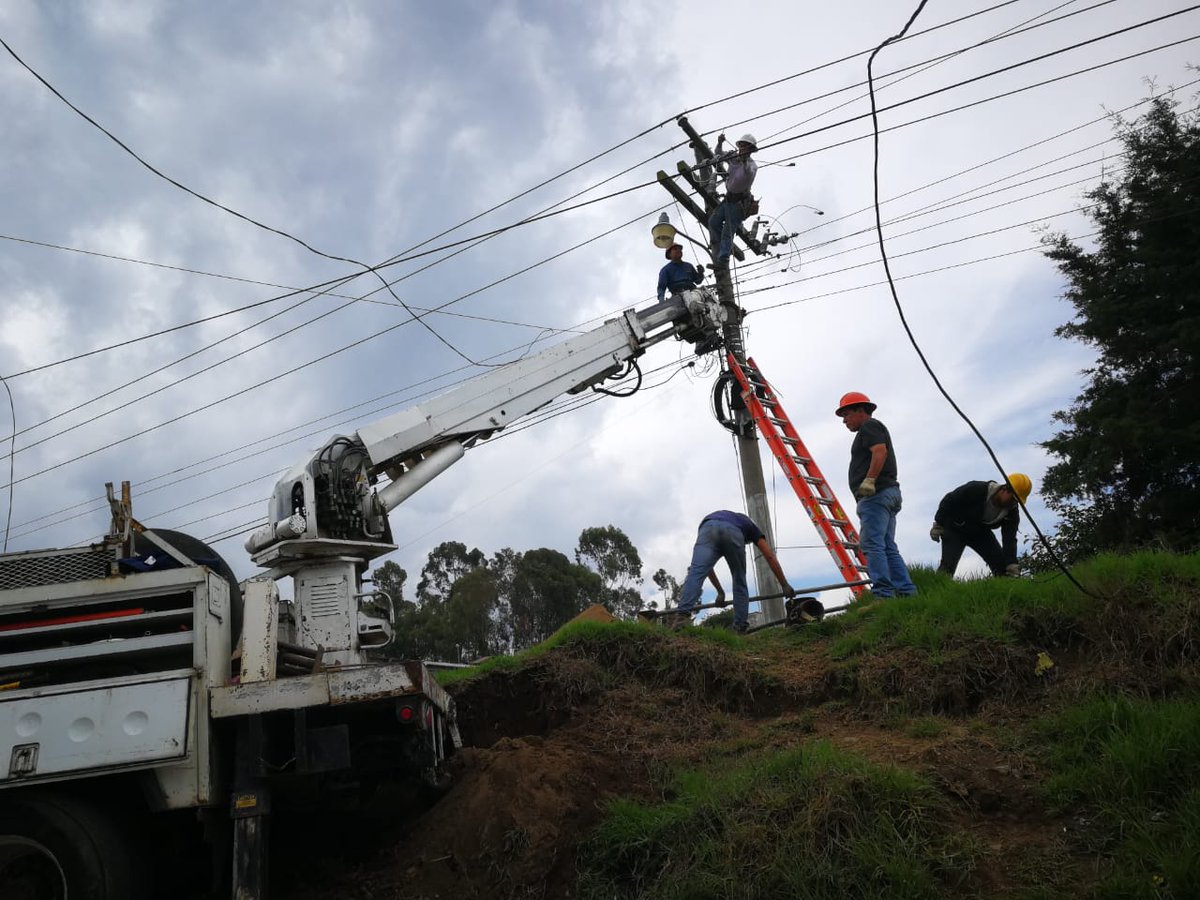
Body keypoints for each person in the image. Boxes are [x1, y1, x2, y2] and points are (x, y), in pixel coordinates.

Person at [835, 391, 917, 598]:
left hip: (876, 495)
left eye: (847, 414)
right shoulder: (871, 428)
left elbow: (880, 451)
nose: (844, 420)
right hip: (887, 494)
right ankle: (906, 592)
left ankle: (883, 595)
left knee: (873, 545)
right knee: (887, 546)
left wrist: (870, 479)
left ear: (861, 411)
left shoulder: (869, 427)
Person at [675, 510, 794, 633]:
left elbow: (707, 568)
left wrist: (720, 593)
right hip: (732, 531)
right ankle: (739, 627)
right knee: (739, 578)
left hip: (707, 527)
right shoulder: (750, 525)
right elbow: (769, 556)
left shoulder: (721, 517)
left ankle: (682, 618)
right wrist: (784, 584)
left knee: (696, 572)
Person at [930, 474, 1032, 577]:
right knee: (947, 569)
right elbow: (949, 500)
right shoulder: (976, 488)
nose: (1014, 503)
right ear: (1005, 489)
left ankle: (1006, 589)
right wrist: (938, 524)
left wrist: (1011, 564)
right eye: (1013, 499)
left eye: (1017, 501)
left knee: (1002, 568)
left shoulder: (1012, 512)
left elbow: (1009, 539)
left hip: (980, 533)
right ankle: (935, 589)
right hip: (955, 529)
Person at [707, 133, 759, 265]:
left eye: (746, 146)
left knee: (727, 232)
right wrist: (720, 142)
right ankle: (723, 247)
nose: (742, 148)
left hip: (739, 204)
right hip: (728, 200)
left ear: (751, 150)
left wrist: (744, 160)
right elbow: (717, 153)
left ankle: (723, 257)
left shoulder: (752, 165)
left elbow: (748, 172)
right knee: (713, 223)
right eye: (741, 145)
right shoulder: (733, 157)